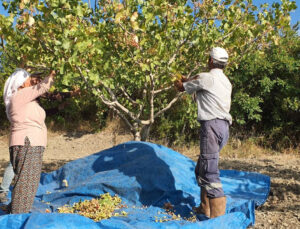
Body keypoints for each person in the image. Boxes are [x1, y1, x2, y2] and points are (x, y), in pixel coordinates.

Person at [0, 77, 80, 203]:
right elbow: (45, 90)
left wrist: (66, 99)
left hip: (28, 137)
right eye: (33, 79)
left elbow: (51, 97)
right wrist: (53, 75)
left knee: (18, 166)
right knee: (16, 165)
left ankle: (12, 195)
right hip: (25, 137)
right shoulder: (24, 94)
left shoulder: (32, 98)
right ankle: (5, 192)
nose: (36, 81)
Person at [174, 47, 232, 218]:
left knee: (209, 174)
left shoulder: (206, 78)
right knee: (201, 169)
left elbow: (181, 87)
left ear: (211, 61)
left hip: (212, 127)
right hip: (223, 128)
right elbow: (196, 81)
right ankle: (204, 208)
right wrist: (188, 79)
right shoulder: (225, 81)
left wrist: (176, 79)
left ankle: (216, 221)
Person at [2, 68, 55, 213]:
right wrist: (51, 75)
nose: (31, 81)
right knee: (27, 182)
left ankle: (14, 209)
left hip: (28, 143)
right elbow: (42, 87)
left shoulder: (25, 99)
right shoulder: (19, 95)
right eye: (28, 79)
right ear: (20, 83)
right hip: (28, 143)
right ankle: (18, 216)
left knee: (24, 181)